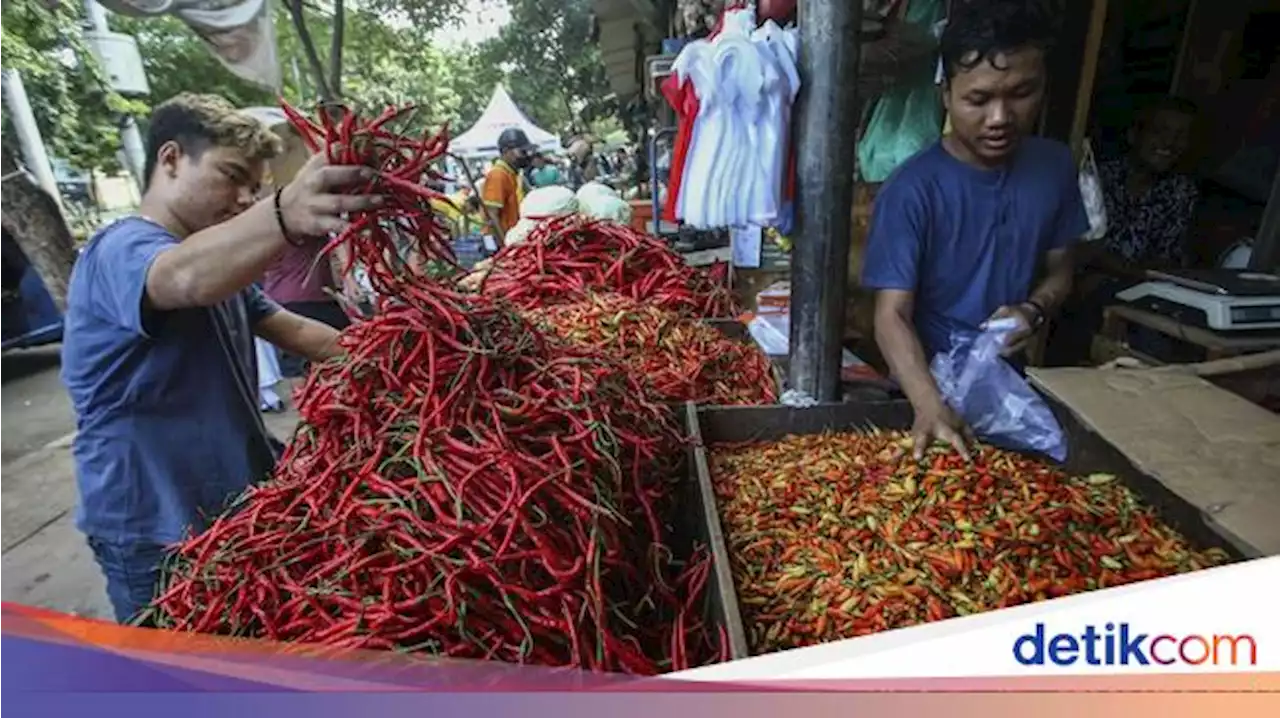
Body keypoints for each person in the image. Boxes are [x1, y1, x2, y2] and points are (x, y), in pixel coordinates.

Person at [60, 93, 381, 624]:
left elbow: (298, 330)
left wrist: (405, 352)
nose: (241, 197)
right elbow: (180, 278)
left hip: (229, 513)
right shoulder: (119, 249)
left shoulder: (220, 267)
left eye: (254, 187)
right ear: (170, 160)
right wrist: (280, 213)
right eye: (230, 175)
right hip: (151, 528)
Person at [860, 0, 1088, 460]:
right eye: (979, 100)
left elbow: (1063, 267)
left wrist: (1033, 309)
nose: (1001, 118)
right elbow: (891, 315)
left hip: (1011, 387)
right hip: (924, 389)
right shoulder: (912, 189)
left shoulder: (1056, 166)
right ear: (946, 95)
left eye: (1021, 93)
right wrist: (930, 405)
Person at [1046, 98, 1201, 365]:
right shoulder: (1099, 177)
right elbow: (1081, 247)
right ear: (1134, 135)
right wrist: (1100, 265)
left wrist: (1115, 269)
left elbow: (1166, 263)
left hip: (1140, 290)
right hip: (1081, 283)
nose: (1169, 143)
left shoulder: (1181, 191)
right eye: (1160, 131)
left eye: (1179, 136)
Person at [482, 128, 534, 236]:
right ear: (506, 151)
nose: (526, 156)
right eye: (522, 152)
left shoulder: (514, 174)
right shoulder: (498, 175)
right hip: (503, 241)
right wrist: (505, 247)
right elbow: (492, 215)